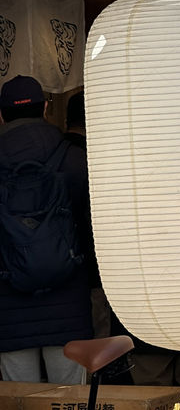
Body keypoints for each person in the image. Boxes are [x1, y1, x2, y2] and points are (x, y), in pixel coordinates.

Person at [0, 75, 93, 383]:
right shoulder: (74, 159)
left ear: (2, 114)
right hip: (68, 301)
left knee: (20, 402)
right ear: (44, 109)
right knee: (70, 401)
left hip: (8, 305)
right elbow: (94, 231)